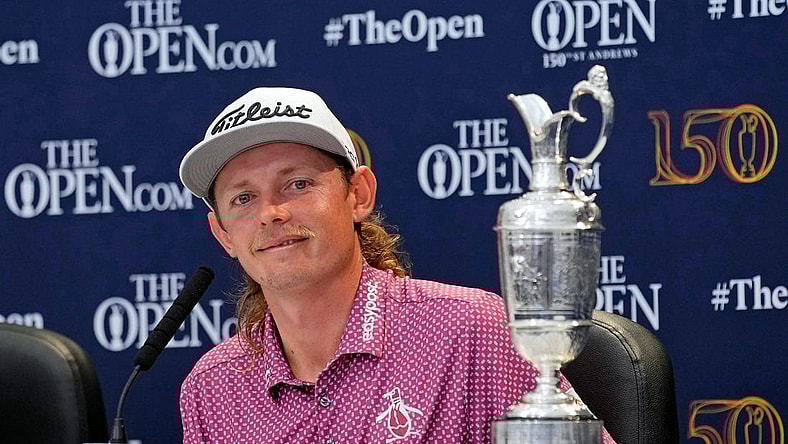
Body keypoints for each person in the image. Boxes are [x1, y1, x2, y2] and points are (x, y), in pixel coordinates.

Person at [178, 87, 616, 444]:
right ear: (223, 234)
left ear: (359, 195)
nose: (271, 213)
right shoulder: (212, 388)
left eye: (298, 184)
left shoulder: (470, 332)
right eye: (244, 198)